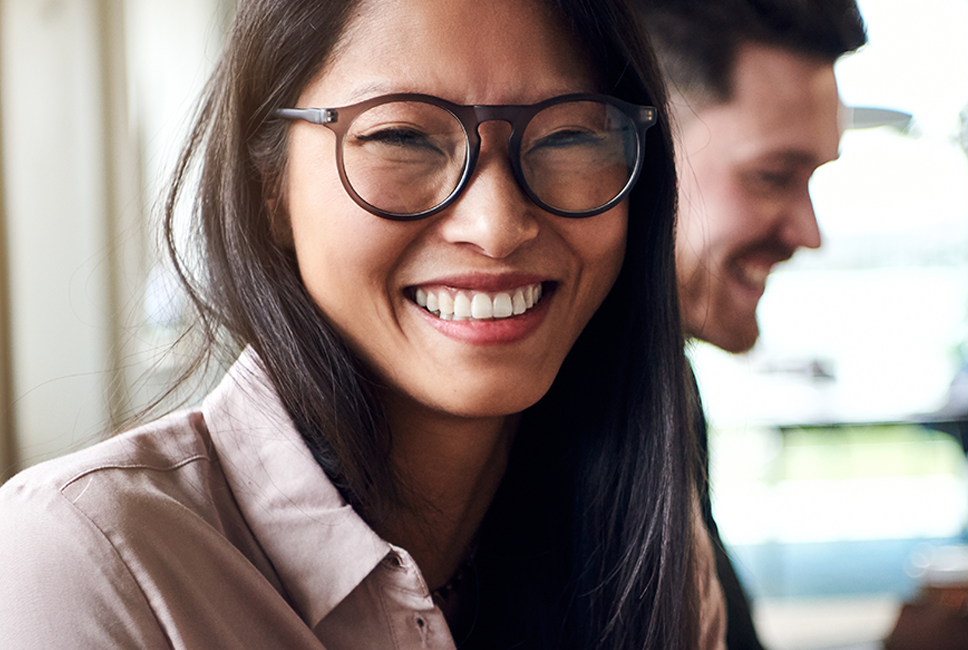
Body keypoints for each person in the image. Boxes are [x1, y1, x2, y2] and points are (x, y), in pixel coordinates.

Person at [0, 0, 724, 648]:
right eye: (403, 138)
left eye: (569, 138)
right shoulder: (85, 560)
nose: (498, 226)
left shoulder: (649, 553)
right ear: (269, 189)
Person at [626, 0, 866, 648]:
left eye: (810, 180)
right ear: (631, 150)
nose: (808, 233)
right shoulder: (554, 425)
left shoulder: (662, 383)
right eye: (772, 177)